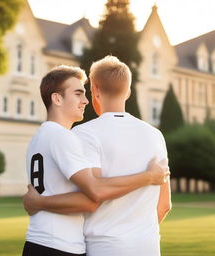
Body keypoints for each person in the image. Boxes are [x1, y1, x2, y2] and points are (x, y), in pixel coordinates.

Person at [22, 63, 170, 256]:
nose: (84, 100)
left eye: (84, 93)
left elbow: (94, 194)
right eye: (77, 94)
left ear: (95, 90)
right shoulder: (156, 135)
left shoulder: (80, 134)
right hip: (148, 247)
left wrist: (39, 202)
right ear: (128, 92)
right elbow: (165, 204)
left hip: (102, 247)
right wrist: (138, 234)